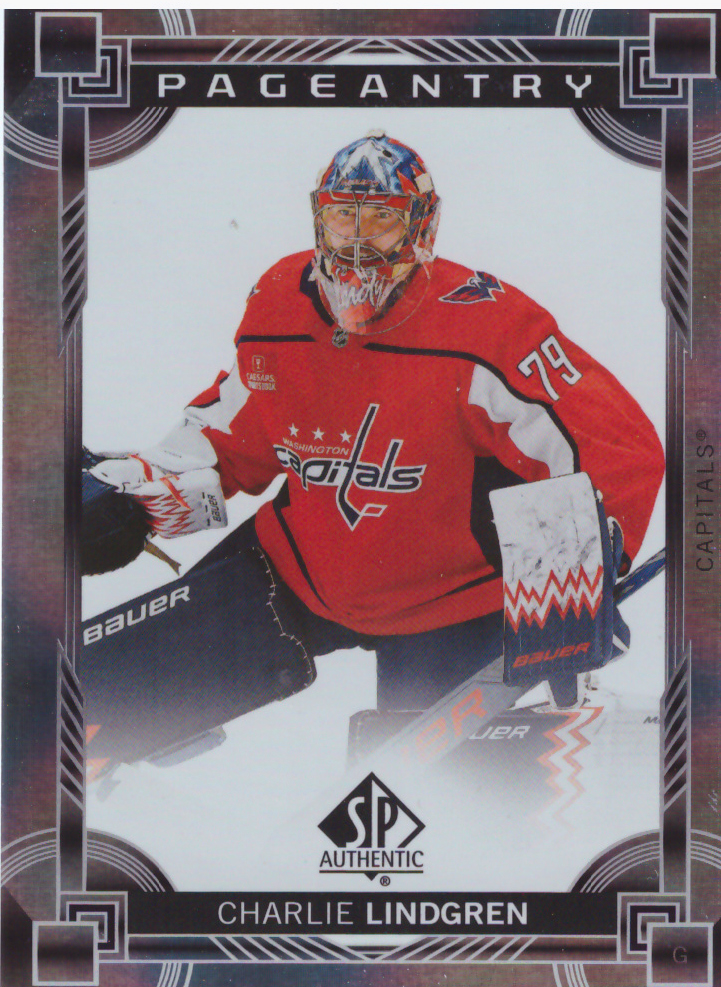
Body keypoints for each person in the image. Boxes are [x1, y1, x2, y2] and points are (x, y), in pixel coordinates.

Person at [82, 132, 664, 766]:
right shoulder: (279, 302)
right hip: (302, 565)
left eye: (382, 220)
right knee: (93, 699)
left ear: (421, 227)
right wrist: (128, 496)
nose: (357, 241)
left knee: (428, 803)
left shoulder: (488, 327)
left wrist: (566, 598)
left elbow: (614, 451)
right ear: (319, 219)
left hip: (453, 601)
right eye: (343, 216)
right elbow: (237, 432)